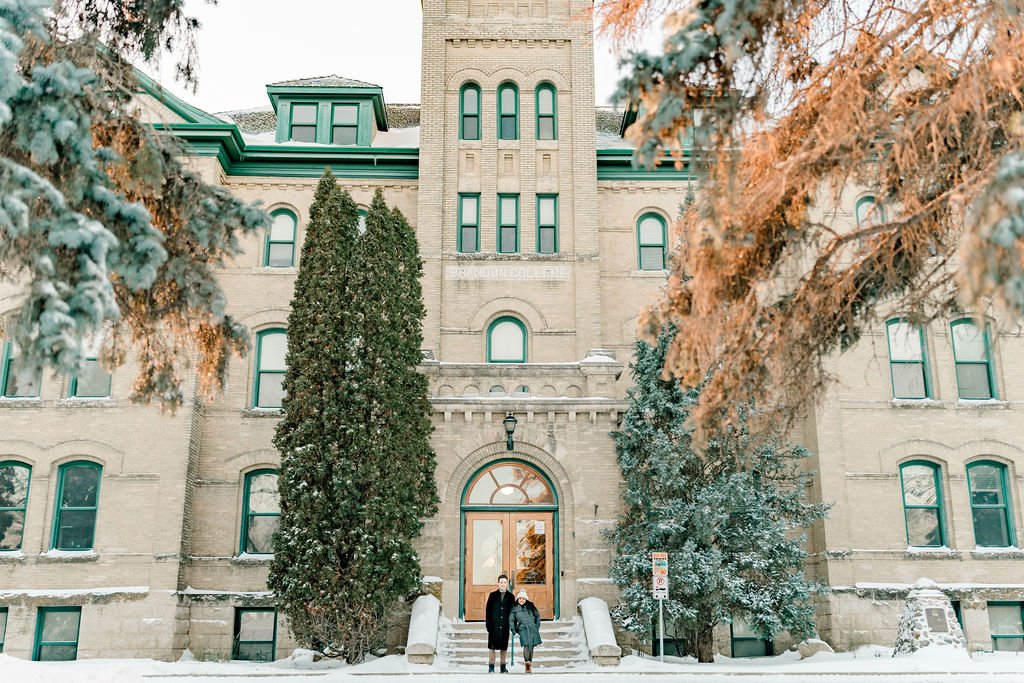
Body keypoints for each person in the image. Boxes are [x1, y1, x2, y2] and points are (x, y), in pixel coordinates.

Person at [485, 574, 515, 673]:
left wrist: (512, 625)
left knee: (504, 646)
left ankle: (503, 666)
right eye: (501, 582)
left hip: (505, 625)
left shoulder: (511, 597)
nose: (503, 584)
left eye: (505, 582)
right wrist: (488, 625)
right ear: (498, 583)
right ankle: (491, 666)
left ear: (507, 584)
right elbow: (488, 611)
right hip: (494, 624)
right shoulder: (492, 595)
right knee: (492, 646)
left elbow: (512, 612)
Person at [509, 589, 542, 673]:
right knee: (526, 645)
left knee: (532, 646)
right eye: (520, 598)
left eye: (523, 599)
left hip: (532, 627)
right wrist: (514, 631)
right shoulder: (514, 608)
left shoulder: (530, 606)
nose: (521, 600)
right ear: (517, 599)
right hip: (522, 628)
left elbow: (537, 615)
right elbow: (511, 620)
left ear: (526, 599)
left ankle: (530, 663)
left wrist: (536, 625)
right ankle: (527, 665)